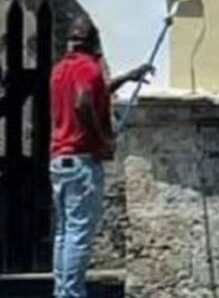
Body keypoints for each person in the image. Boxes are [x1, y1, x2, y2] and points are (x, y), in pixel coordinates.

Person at [50, 17, 153, 298]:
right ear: (94, 43)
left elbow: (94, 93)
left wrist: (126, 77)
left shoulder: (61, 69)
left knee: (64, 232)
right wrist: (103, 140)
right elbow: (84, 102)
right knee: (79, 234)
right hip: (82, 158)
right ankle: (71, 294)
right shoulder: (88, 67)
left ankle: (62, 290)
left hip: (60, 159)